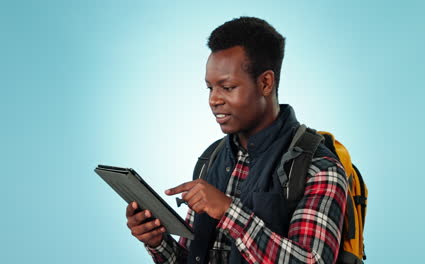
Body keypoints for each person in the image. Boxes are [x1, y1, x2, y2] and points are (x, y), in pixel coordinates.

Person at [125, 17, 348, 264]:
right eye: (210, 88)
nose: (213, 99)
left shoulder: (318, 168)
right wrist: (158, 242)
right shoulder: (211, 160)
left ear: (265, 83)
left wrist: (229, 211)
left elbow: (314, 261)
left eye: (227, 87)